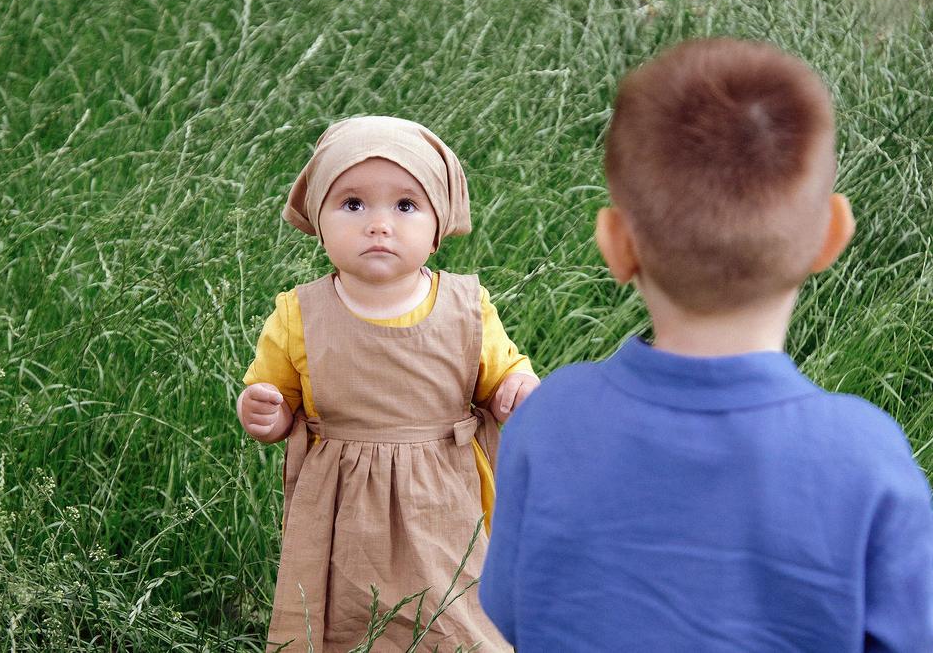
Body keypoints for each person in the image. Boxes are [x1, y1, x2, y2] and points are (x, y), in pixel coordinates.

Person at [479, 38, 933, 651]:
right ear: (832, 237)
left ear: (617, 245)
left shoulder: (550, 418)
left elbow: (511, 606)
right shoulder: (868, 456)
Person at [238, 115, 537, 651]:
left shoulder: (465, 307)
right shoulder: (298, 314)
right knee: (350, 616)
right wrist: (266, 413)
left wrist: (517, 388)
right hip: (342, 502)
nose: (379, 224)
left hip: (444, 496)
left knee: (455, 613)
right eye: (352, 204)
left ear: (438, 223)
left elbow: (502, 376)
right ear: (319, 220)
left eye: (405, 206)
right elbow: (278, 399)